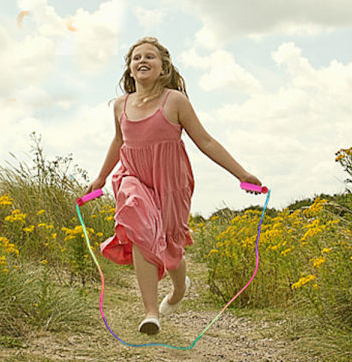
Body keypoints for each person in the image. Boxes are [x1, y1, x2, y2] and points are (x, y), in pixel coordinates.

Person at [85, 37, 263, 335]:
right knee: (140, 229)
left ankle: (180, 288)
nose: (142, 61)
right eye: (136, 57)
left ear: (163, 68)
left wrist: (241, 173)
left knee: (169, 244)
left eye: (150, 57)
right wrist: (101, 178)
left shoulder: (175, 102)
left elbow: (205, 141)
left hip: (171, 182)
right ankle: (150, 312)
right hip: (133, 178)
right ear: (129, 69)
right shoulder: (120, 106)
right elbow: (119, 142)